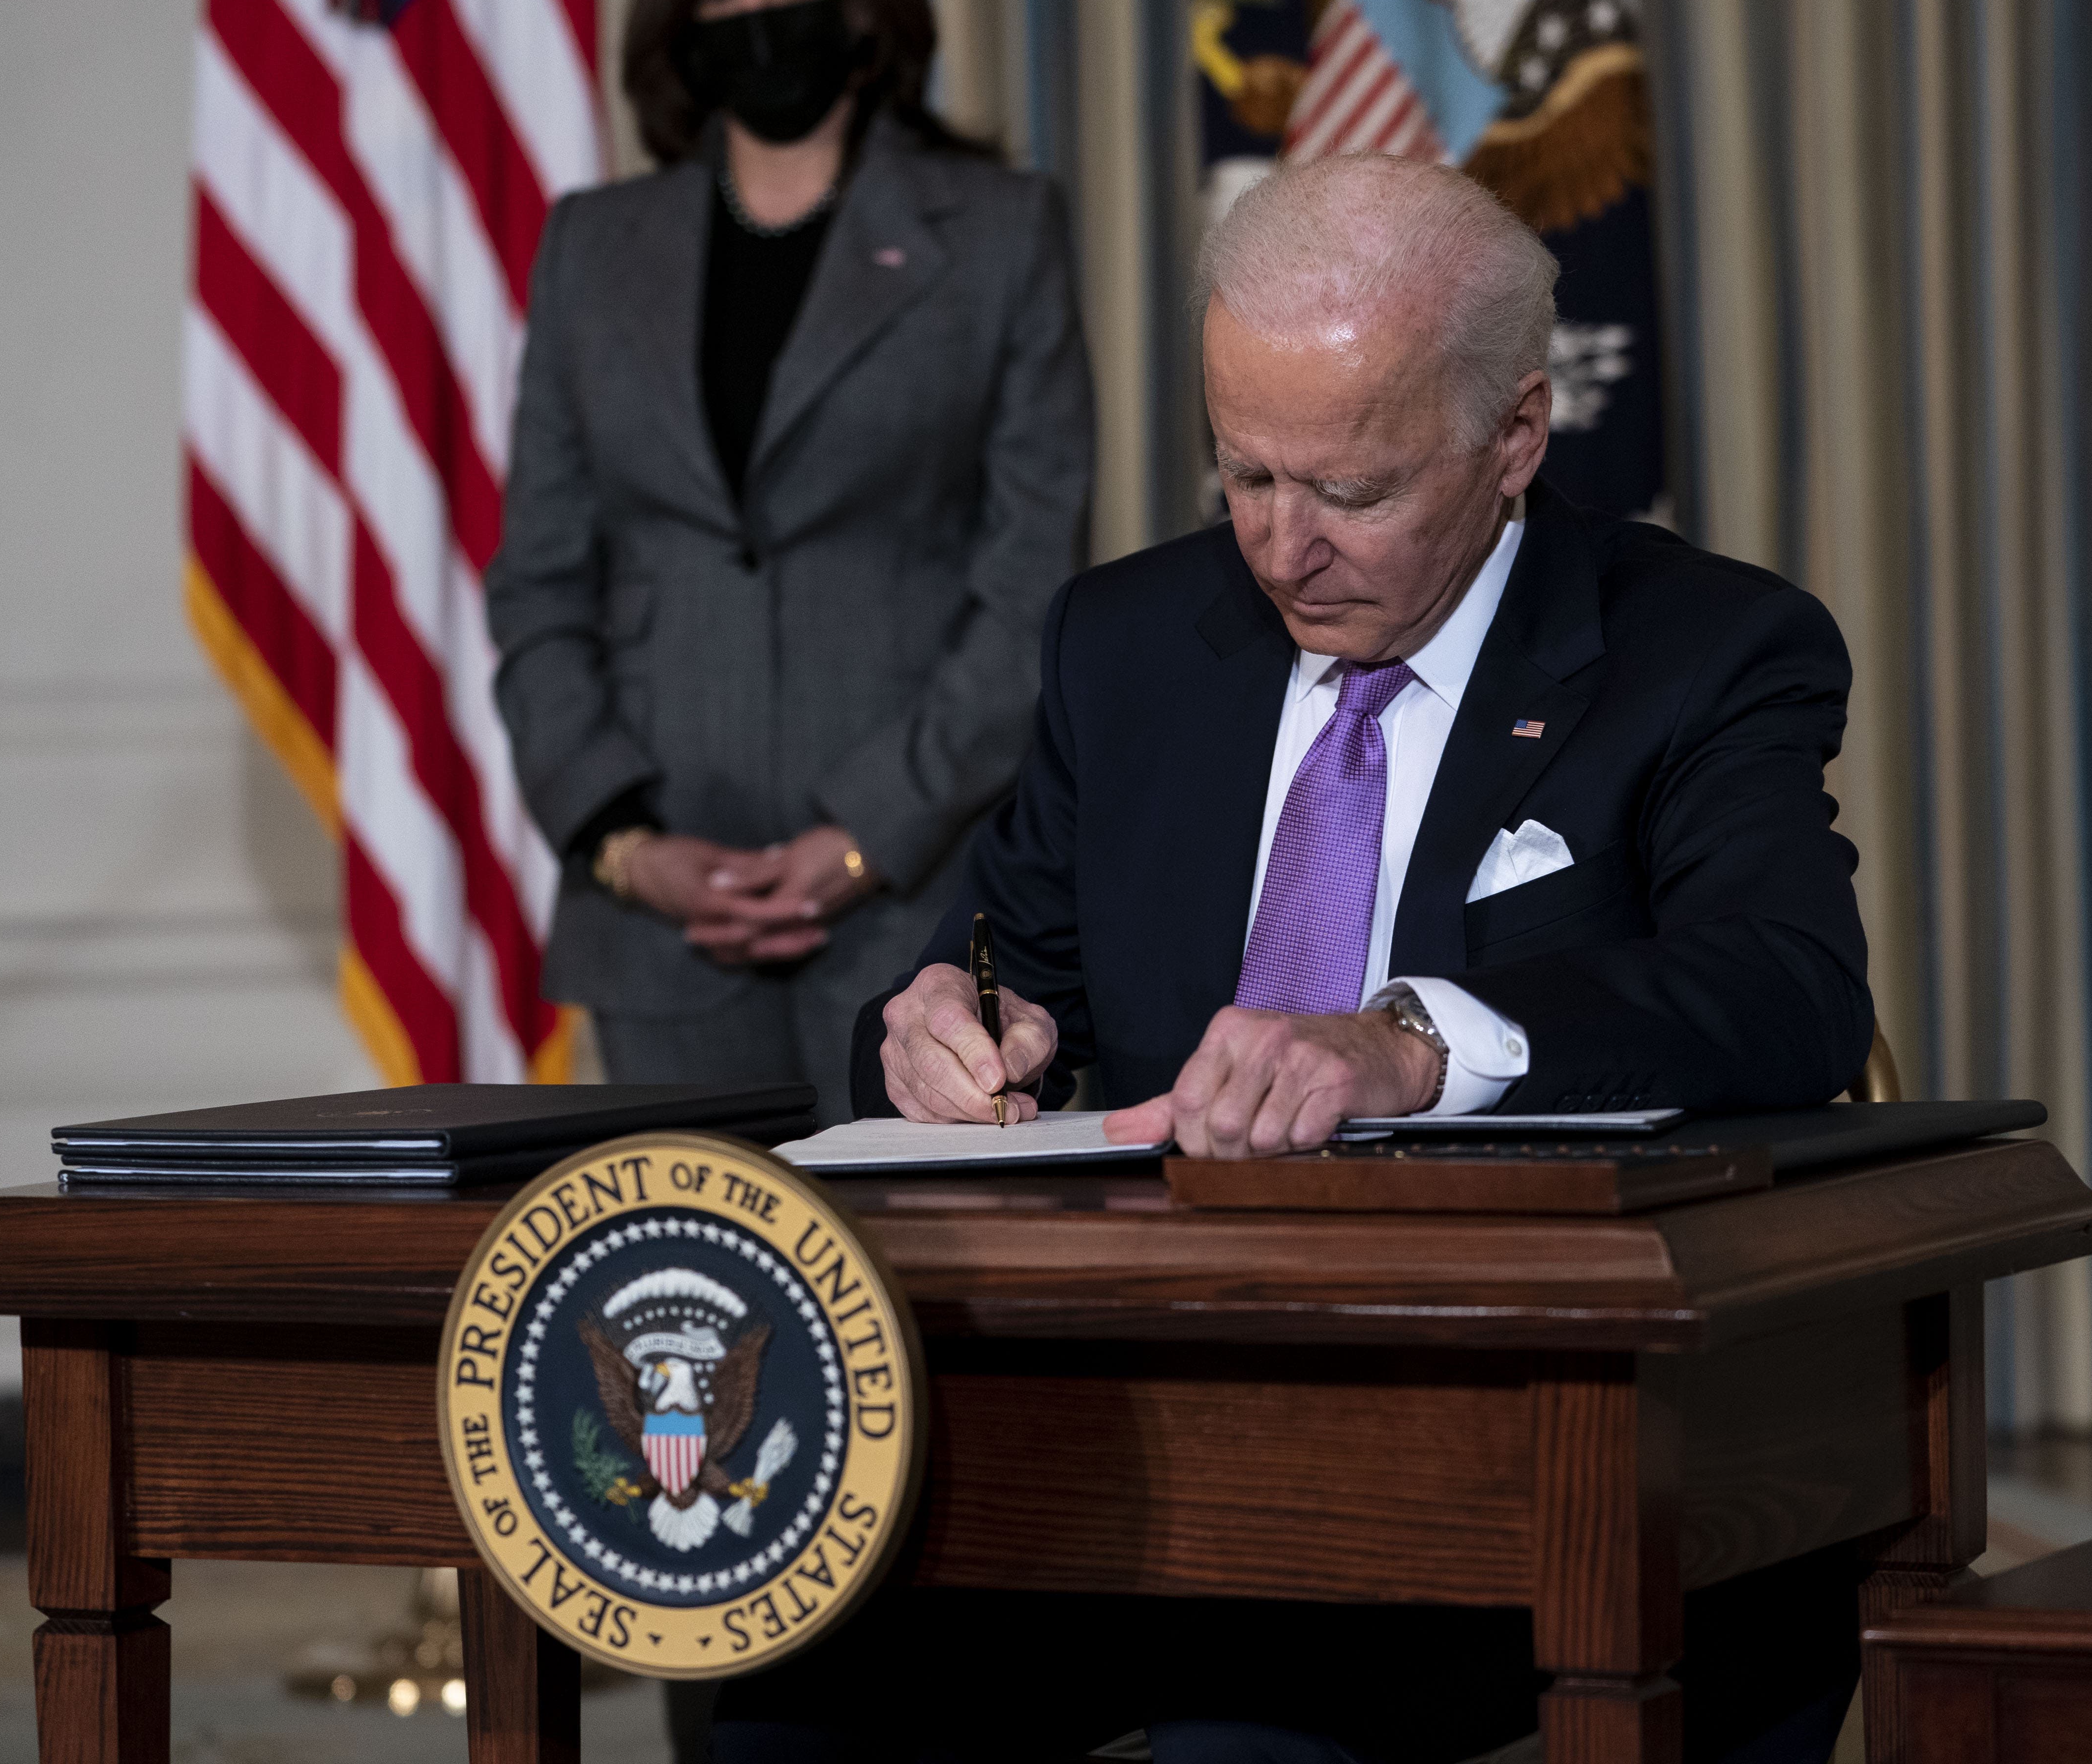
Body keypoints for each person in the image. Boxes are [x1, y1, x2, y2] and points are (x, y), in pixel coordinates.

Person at [732, 155, 1874, 1760]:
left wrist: (1408, 1042)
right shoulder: (1129, 645)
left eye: (1351, 493)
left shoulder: (1701, 653)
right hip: (1137, 1450)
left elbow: (1789, 987)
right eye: (1246, 474)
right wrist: (933, 1034)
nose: (1283, 549)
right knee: (772, 1688)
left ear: (1516, 438)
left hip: (1517, 1463)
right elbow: (983, 974)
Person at [487, 0, 1092, 1124]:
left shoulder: (1000, 235)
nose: (754, 17)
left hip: (918, 908)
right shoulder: (593, 247)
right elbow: (538, 584)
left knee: (926, 1256)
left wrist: (865, 835)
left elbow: (1032, 587)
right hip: (659, 929)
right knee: (687, 1258)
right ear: (678, 22)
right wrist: (626, 845)